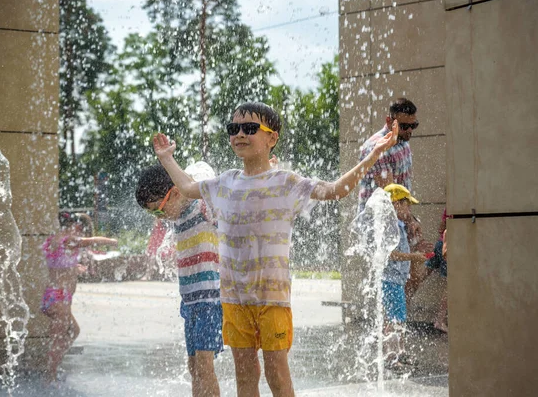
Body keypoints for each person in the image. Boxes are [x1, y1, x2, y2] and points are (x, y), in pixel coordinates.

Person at [151, 101, 398, 397]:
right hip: (234, 297)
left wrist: (373, 155)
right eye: (234, 129)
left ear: (272, 138)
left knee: (276, 372)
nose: (240, 134)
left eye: (250, 128)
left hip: (272, 298)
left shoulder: (286, 182)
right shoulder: (225, 182)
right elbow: (190, 188)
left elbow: (336, 190)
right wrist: (166, 159)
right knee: (245, 373)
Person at [135, 162, 222, 397]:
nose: (159, 217)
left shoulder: (204, 207)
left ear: (173, 193)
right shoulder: (177, 218)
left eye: (158, 210)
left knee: (204, 366)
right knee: (193, 366)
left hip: (211, 300)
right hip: (191, 302)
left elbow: (213, 186)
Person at [357, 98, 433, 304]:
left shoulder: (404, 143)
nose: (409, 131)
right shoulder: (377, 147)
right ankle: (390, 326)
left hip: (399, 217)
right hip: (379, 223)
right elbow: (391, 193)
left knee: (413, 273)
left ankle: (396, 322)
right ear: (389, 120)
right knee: (392, 278)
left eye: (413, 125)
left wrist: (412, 218)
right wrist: (410, 222)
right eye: (405, 126)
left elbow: (403, 191)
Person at [42, 212, 118, 384]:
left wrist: (74, 267)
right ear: (71, 226)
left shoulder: (56, 240)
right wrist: (111, 241)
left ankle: (53, 369)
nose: (79, 232)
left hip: (55, 297)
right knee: (58, 340)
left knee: (73, 332)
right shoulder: (67, 239)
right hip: (59, 298)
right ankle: (49, 379)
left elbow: (57, 264)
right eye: (78, 228)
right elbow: (89, 242)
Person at [381, 184, 427, 372]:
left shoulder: (399, 225)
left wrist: (415, 247)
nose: (409, 210)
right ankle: (390, 357)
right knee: (393, 320)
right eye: (407, 205)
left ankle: (400, 352)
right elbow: (390, 254)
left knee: (398, 318)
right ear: (396, 204)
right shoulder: (390, 226)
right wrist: (413, 257)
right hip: (390, 280)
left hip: (396, 280)